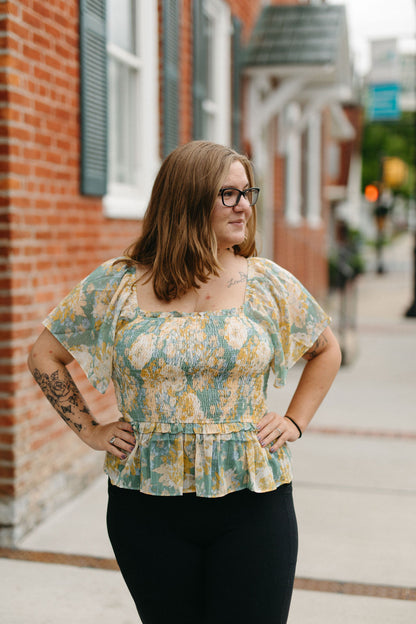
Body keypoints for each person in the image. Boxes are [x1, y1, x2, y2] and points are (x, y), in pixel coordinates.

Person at [28, 140, 341, 624]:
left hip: (253, 500)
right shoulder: (119, 284)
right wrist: (89, 430)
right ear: (189, 200)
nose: (245, 207)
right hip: (146, 505)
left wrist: (296, 421)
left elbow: (326, 349)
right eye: (229, 194)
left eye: (247, 192)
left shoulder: (267, 281)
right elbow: (44, 354)